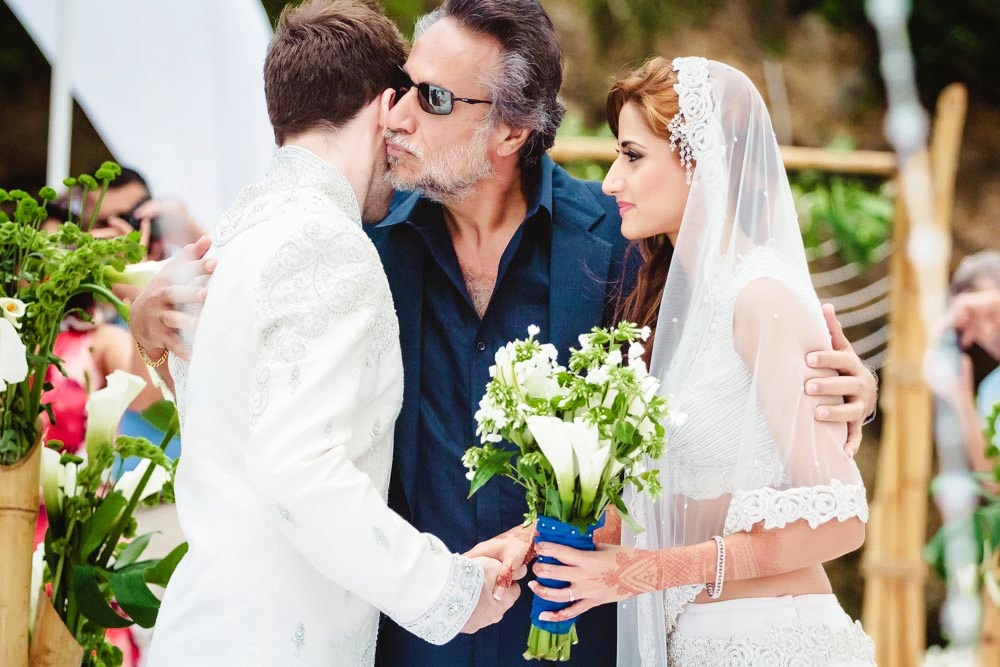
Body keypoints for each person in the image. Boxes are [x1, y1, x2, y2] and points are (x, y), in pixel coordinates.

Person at [130, 3, 877, 664]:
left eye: (432, 97)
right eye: (402, 88)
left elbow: (719, 371)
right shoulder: (356, 247)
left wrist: (845, 392)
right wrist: (146, 321)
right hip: (408, 645)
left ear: (511, 128)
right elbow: (248, 363)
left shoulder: (625, 247)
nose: (395, 115)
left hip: (579, 640)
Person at [144, 2, 520, 665]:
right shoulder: (327, 244)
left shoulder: (230, 239)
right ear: (386, 109)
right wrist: (455, 590)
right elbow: (302, 472)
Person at [526, 57, 875, 666]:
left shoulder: (761, 299)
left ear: (701, 163)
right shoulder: (678, 310)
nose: (611, 182)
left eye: (632, 156)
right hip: (698, 645)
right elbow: (672, 504)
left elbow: (841, 520)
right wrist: (529, 544)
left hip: (777, 644)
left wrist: (640, 573)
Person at [948, 251, 1000, 471]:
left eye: (990, 314)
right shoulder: (992, 389)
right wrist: (962, 399)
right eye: (976, 327)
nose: (989, 332)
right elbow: (994, 482)